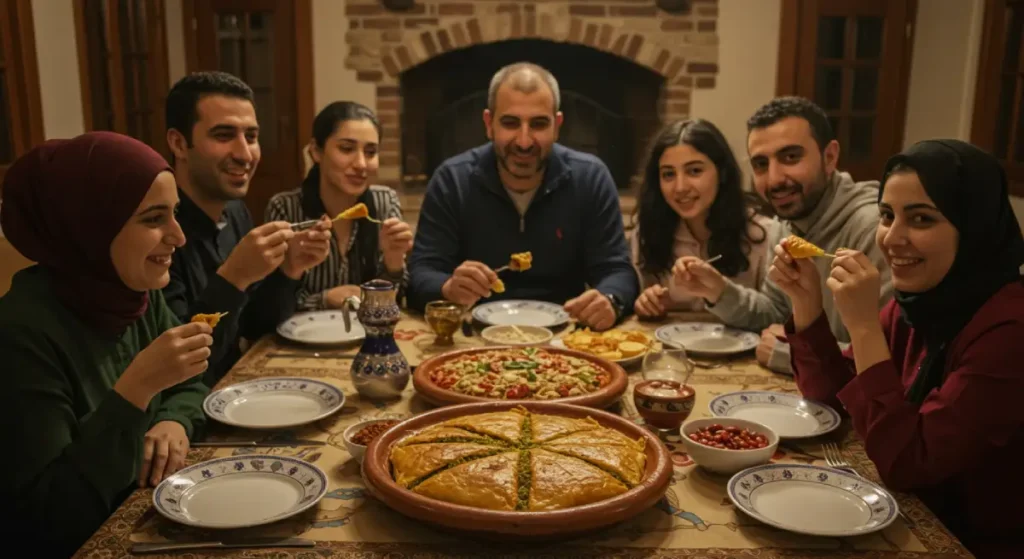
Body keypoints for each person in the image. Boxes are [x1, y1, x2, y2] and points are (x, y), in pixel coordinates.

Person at [774, 140, 1024, 558]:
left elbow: (908, 463)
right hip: (908, 519)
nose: (891, 238)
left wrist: (863, 325)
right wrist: (806, 304)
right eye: (886, 216)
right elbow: (832, 404)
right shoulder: (920, 301)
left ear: (974, 225)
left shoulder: (1010, 328)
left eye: (921, 219)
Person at [0, 132, 213, 556]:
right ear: (90, 226)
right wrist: (134, 392)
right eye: (154, 219)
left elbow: (189, 383)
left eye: (175, 214)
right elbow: (47, 520)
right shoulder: (20, 335)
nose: (179, 236)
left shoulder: (132, 292)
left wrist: (173, 421)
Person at [407, 62, 638, 330]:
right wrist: (447, 288)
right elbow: (420, 274)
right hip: (472, 337)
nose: (524, 141)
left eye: (539, 124)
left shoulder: (591, 178)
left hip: (566, 335)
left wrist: (610, 300)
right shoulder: (452, 180)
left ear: (557, 125)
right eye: (510, 123)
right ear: (488, 123)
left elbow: (618, 271)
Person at [670, 96, 892, 373]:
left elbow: (894, 360)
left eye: (790, 157)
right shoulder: (788, 224)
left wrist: (793, 355)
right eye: (761, 164)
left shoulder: (875, 230)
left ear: (830, 156)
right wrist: (718, 290)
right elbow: (774, 313)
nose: (774, 179)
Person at [163, 71, 331, 386]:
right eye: (223, 135)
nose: (244, 154)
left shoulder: (236, 210)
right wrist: (233, 277)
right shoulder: (158, 228)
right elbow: (178, 369)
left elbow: (255, 327)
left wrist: (289, 270)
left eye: (251, 137)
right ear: (179, 143)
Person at [265, 101, 413, 310]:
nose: (361, 164)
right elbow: (270, 307)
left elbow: (393, 302)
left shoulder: (385, 202)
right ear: (316, 152)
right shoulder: (285, 208)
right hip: (304, 338)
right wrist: (324, 299)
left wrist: (394, 260)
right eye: (346, 149)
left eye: (371, 152)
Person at [630, 118, 776, 318]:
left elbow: (775, 316)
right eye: (668, 174)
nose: (680, 187)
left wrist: (721, 291)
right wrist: (646, 302)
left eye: (694, 171)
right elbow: (641, 301)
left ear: (722, 173)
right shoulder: (648, 230)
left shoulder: (764, 235)